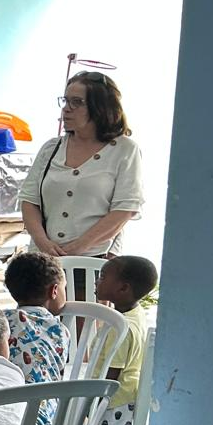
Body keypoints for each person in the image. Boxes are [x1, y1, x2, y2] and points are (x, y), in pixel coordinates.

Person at [19, 71, 145, 288]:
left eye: (77, 102)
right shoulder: (51, 148)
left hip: (92, 262)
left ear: (100, 107)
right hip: (42, 263)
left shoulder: (124, 150)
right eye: (65, 100)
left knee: (83, 310)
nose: (66, 109)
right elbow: (29, 200)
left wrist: (79, 246)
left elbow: (125, 208)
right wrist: (43, 242)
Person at [91, 255, 158, 425]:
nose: (97, 281)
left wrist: (95, 399)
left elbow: (112, 372)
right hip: (132, 393)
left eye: (103, 277)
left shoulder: (119, 327)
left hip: (115, 398)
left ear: (123, 288)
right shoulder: (136, 314)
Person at [2, 251, 69, 425]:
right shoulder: (60, 330)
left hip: (2, 414)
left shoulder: (1, 321)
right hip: (42, 424)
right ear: (54, 291)